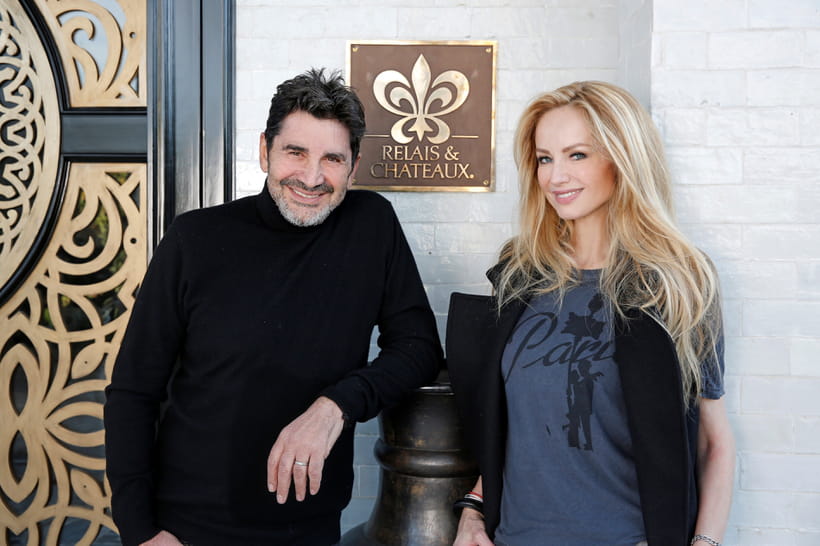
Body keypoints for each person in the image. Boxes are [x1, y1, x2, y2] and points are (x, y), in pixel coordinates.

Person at [104, 68, 442, 546]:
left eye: (332, 159)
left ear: (354, 166)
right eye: (295, 152)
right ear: (265, 151)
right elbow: (133, 391)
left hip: (310, 528)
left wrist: (336, 406)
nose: (312, 177)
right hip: (187, 528)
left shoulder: (371, 226)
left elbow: (418, 348)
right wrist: (140, 530)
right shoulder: (194, 239)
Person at [447, 81, 735, 546]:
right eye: (544, 159)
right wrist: (473, 511)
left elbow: (712, 441)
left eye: (576, 155)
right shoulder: (520, 273)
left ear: (623, 158)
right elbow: (512, 427)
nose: (555, 177)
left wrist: (703, 544)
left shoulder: (678, 283)